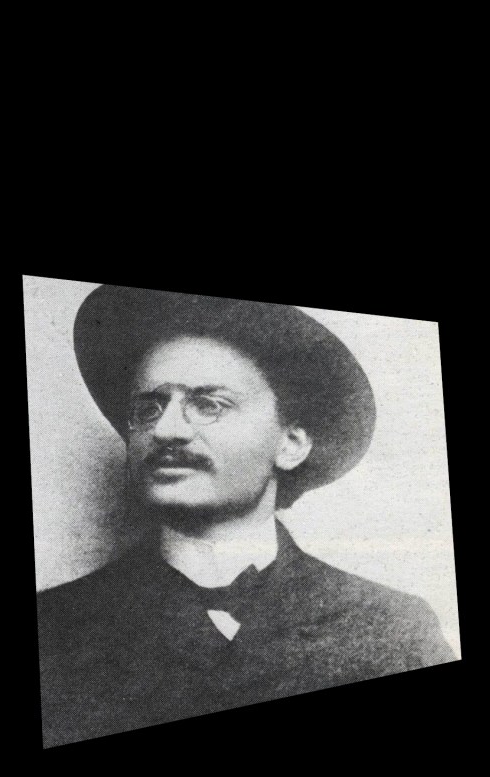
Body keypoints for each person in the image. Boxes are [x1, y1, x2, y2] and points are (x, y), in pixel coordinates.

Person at [36, 286, 456, 748]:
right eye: (148, 408)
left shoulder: (391, 628)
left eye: (209, 405)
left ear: (290, 445)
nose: (166, 429)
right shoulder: (54, 628)